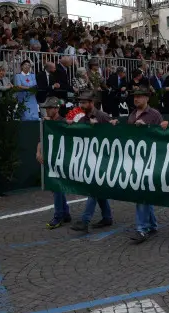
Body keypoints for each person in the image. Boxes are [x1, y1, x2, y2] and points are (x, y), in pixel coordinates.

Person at [70, 91, 118, 233]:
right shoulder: (82, 119)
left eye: (84, 102)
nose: (82, 105)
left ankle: (85, 220)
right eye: (81, 102)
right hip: (90, 161)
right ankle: (107, 217)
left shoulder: (102, 116)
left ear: (92, 103)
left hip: (103, 161)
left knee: (94, 190)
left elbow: (114, 135)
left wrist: (102, 127)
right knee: (98, 191)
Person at [127, 86, 169, 243]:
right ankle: (151, 224)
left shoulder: (154, 114)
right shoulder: (131, 115)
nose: (136, 99)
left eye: (139, 96)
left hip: (150, 160)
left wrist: (150, 128)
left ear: (147, 98)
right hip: (135, 160)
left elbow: (161, 135)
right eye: (135, 96)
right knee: (144, 193)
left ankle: (141, 229)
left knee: (141, 194)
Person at [36, 97, 72, 229]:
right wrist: (38, 152)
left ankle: (59, 215)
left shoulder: (62, 121)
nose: (47, 111)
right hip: (51, 158)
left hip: (61, 158)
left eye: (49, 108)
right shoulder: (47, 123)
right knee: (56, 187)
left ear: (56, 109)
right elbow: (41, 138)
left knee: (57, 186)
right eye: (46, 109)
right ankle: (65, 213)